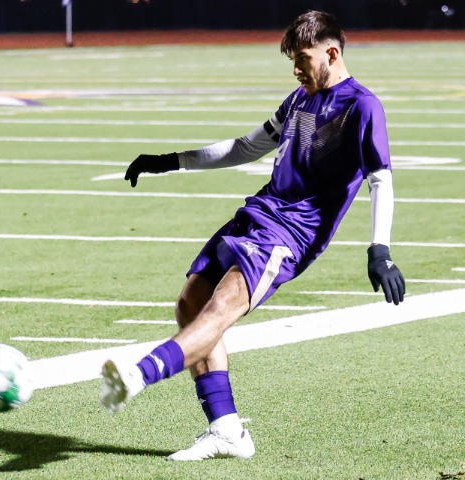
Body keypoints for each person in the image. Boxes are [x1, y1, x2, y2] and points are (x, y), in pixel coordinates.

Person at [100, 10, 406, 461]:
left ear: (331, 53)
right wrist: (172, 161)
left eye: (302, 58)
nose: (296, 69)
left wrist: (380, 249)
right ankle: (227, 432)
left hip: (291, 233)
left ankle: (138, 375)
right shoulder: (299, 99)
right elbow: (247, 147)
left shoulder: (362, 106)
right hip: (259, 213)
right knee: (191, 303)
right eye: (292, 60)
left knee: (220, 308)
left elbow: (381, 178)